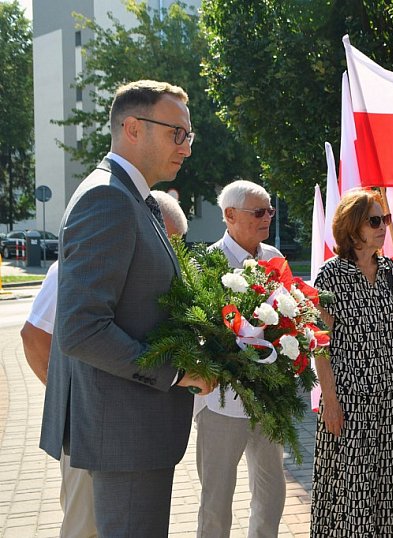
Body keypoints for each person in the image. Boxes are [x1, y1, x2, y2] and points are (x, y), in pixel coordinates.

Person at [39, 79, 215, 538]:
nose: (187, 147)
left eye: (189, 135)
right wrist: (176, 373)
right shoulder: (108, 198)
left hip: (131, 435)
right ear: (133, 128)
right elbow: (81, 329)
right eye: (177, 133)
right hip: (123, 437)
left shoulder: (133, 198)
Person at [20, 192, 187, 538]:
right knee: (84, 527)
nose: (171, 254)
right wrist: (72, 399)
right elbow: (34, 335)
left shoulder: (139, 271)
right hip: (88, 429)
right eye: (167, 241)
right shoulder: (78, 263)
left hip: (120, 432)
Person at [311, 188, 393, 537]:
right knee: (354, 488)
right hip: (352, 401)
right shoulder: (330, 276)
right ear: (353, 226)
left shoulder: (389, 270)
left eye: (384, 219)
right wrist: (330, 402)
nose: (383, 226)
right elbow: (320, 345)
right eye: (375, 221)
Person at [194, 180, 287, 538]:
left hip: (267, 398)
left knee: (271, 494)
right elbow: (197, 331)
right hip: (221, 401)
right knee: (216, 503)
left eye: (270, 211)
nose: (267, 218)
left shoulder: (273, 257)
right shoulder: (208, 263)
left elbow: (291, 317)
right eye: (259, 212)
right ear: (230, 215)